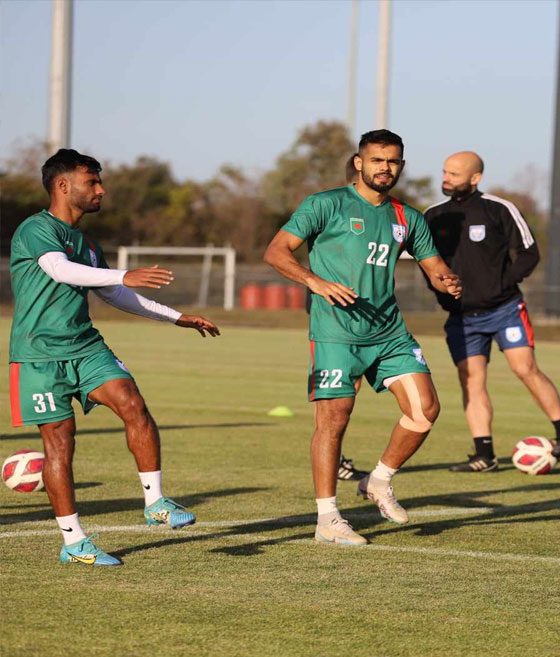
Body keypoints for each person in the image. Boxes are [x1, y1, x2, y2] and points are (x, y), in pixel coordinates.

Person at [8, 149, 220, 566]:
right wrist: (122, 273)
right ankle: (74, 542)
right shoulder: (35, 229)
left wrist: (177, 317)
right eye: (94, 182)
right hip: (38, 356)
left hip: (85, 345)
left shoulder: (88, 244)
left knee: (132, 404)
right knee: (59, 446)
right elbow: (59, 269)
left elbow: (114, 293)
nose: (101, 190)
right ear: (64, 185)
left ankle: (156, 503)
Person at [263, 129, 462, 545]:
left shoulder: (409, 218)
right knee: (334, 421)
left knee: (425, 410)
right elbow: (277, 251)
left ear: (401, 166)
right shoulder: (325, 204)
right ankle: (327, 519)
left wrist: (448, 282)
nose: (384, 168)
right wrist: (314, 282)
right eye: (376, 160)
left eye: (392, 162)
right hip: (336, 332)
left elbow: (434, 269)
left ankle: (379, 480)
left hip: (388, 331)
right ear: (359, 162)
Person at [423, 151, 560, 472]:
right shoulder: (432, 215)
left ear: (475, 178)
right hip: (462, 318)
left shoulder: (499, 209)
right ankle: (484, 455)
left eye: (454, 174)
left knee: (525, 369)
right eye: (445, 172)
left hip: (505, 308)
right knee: (472, 381)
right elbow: (426, 265)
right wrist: (442, 295)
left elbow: (528, 253)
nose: (446, 178)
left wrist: (500, 285)